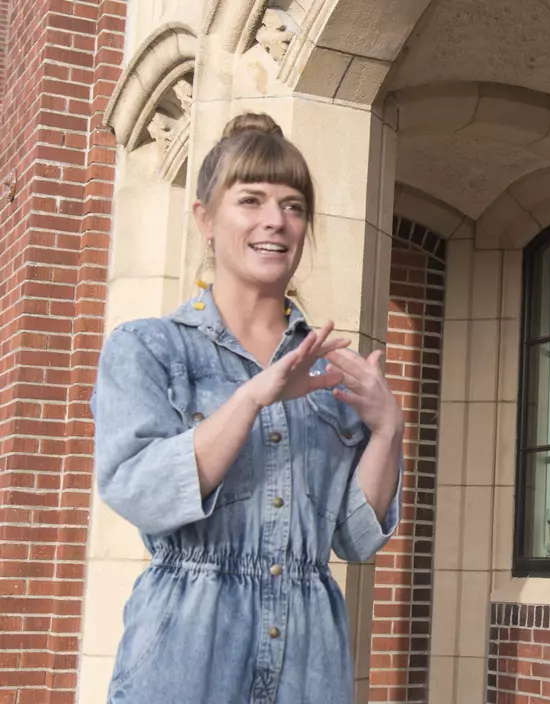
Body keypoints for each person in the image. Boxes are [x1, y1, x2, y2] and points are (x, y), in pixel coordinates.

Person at [91, 113, 404, 704]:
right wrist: (253, 396)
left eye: (293, 206)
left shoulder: (329, 368)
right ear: (205, 218)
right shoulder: (148, 349)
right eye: (251, 199)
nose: (274, 221)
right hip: (186, 653)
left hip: (311, 663)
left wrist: (388, 429)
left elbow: (354, 541)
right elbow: (138, 490)